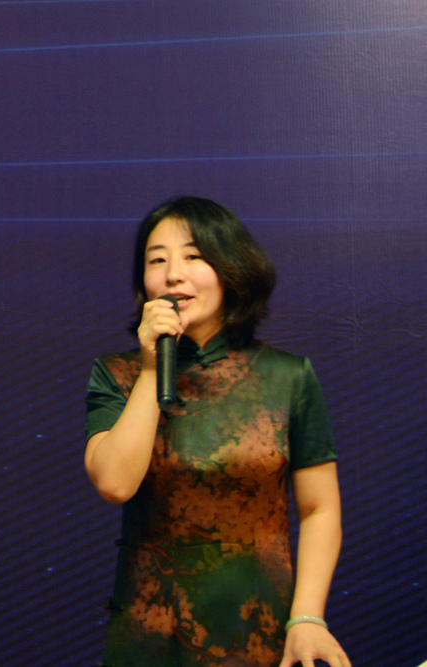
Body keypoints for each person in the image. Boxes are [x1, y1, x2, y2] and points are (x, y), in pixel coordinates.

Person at [84, 196, 350, 667]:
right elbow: (115, 483)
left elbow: (319, 508)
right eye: (157, 261)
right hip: (148, 636)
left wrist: (308, 617)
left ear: (231, 268)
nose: (173, 275)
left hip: (257, 632)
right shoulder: (117, 374)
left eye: (193, 256)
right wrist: (151, 369)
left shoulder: (288, 377)